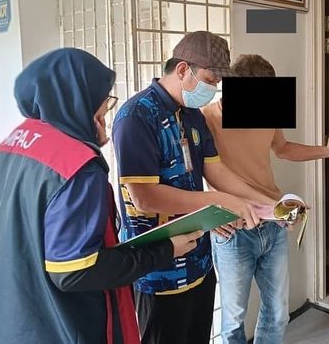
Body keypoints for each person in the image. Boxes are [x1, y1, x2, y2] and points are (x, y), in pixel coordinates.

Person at [0, 48, 202, 344]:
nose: (106, 111)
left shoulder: (13, 144)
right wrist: (164, 250)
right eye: (103, 101)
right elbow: (75, 270)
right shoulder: (78, 167)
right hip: (59, 325)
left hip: (9, 316)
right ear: (76, 98)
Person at [112, 31, 275, 344]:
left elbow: (216, 170)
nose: (213, 89)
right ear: (183, 69)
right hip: (158, 271)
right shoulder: (136, 116)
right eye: (210, 80)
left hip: (199, 262)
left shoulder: (192, 116)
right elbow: (144, 197)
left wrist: (270, 205)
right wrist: (218, 201)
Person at [201, 54, 329, 344]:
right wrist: (210, 212)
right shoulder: (206, 118)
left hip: (273, 224)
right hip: (233, 228)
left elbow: (282, 148)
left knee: (278, 313)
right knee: (233, 320)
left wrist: (326, 150)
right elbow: (201, 172)